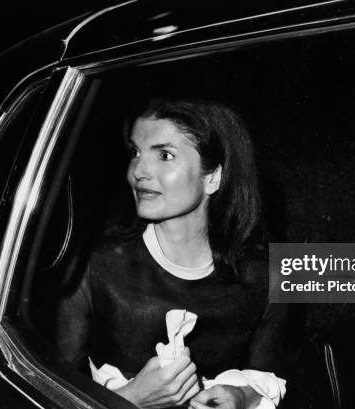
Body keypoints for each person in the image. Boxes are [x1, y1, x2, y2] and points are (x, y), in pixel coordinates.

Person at [56, 98, 286, 409]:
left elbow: (270, 376)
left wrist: (244, 396)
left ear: (213, 177)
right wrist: (131, 400)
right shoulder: (94, 265)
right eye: (135, 153)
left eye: (164, 155)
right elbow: (52, 395)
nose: (138, 171)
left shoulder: (268, 276)